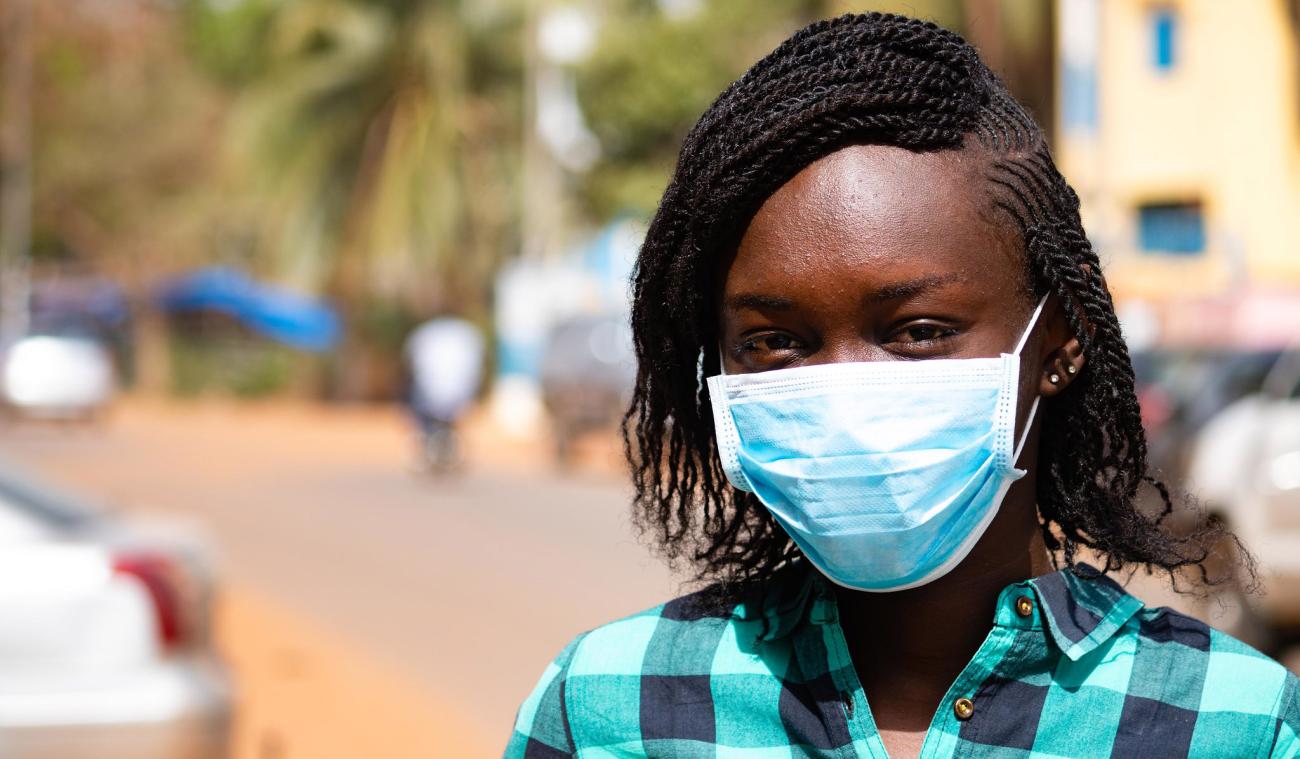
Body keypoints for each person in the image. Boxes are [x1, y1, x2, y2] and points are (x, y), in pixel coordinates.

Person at [506, 13, 1298, 758]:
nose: (846, 391)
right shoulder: (611, 709)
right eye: (775, 341)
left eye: (918, 331)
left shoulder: (1230, 724)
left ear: (1058, 340)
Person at [402, 315, 484, 471]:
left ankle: (422, 443)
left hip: (430, 393)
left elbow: (410, 363)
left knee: (413, 404)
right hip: (460, 395)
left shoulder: (424, 332)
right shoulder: (469, 332)